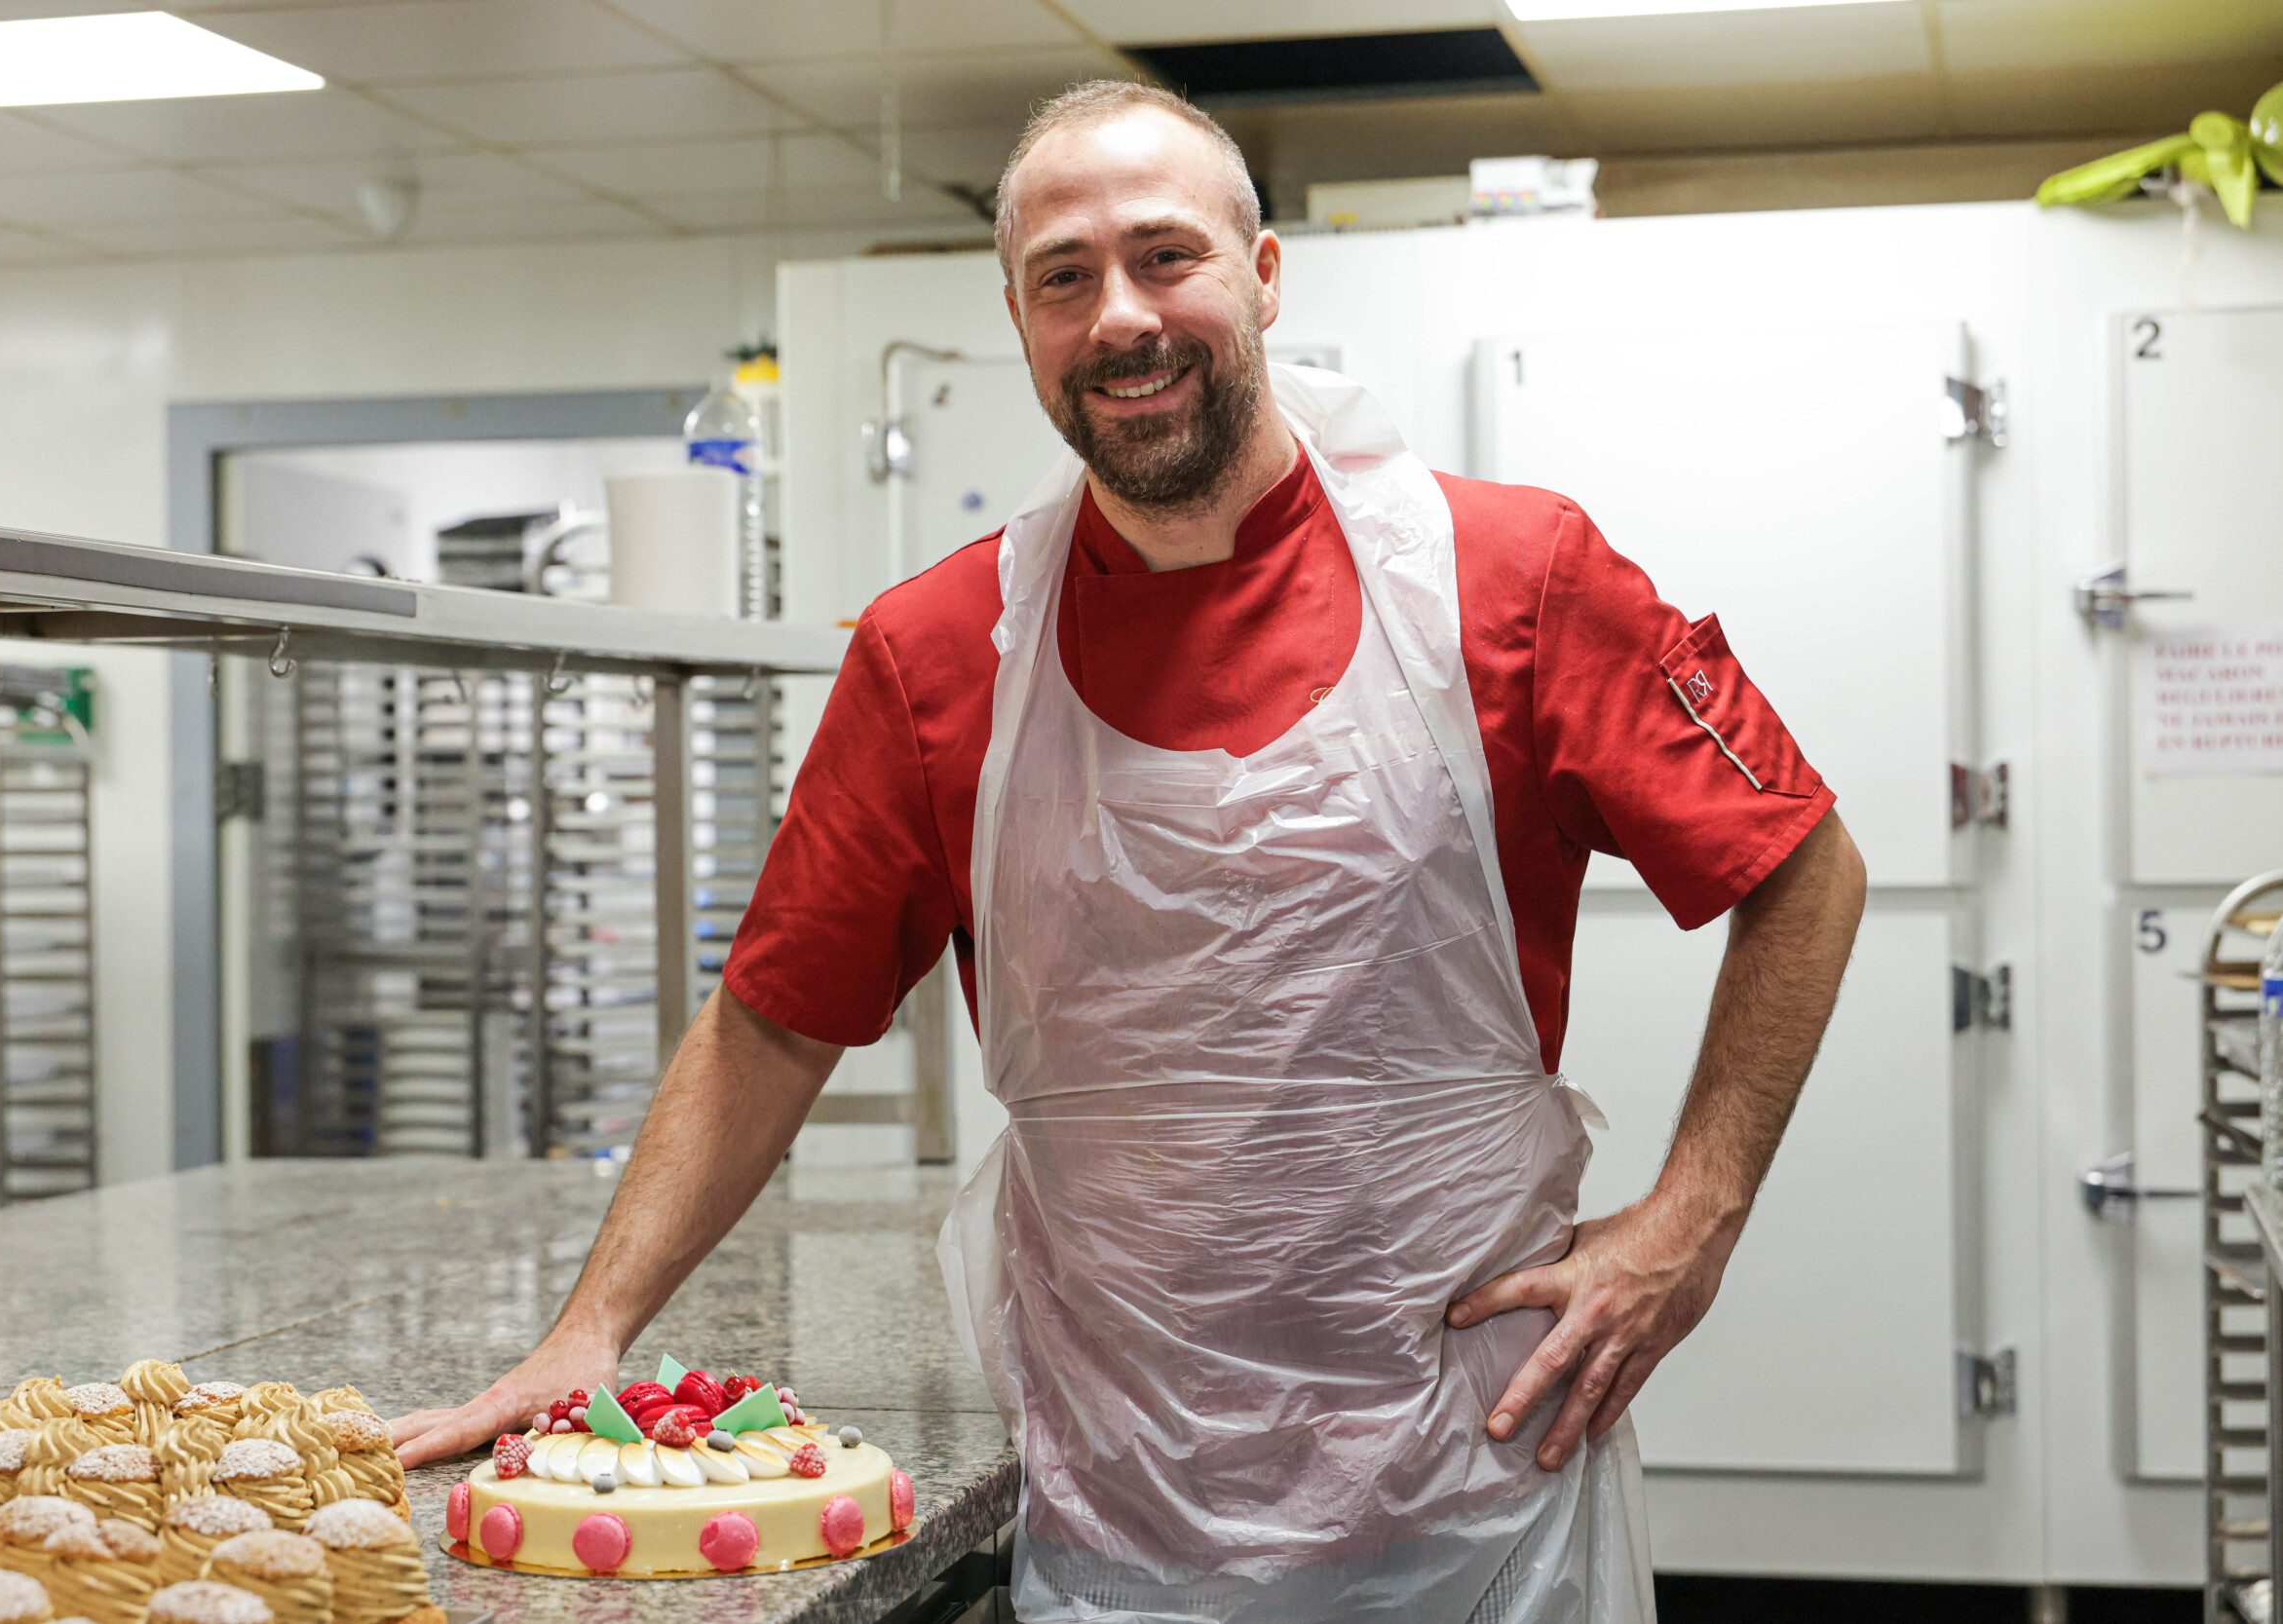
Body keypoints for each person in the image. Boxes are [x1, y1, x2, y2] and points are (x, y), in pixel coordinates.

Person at [394, 80, 1867, 1624]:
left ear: (1265, 275)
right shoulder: (937, 652)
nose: (1121, 318)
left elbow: (1802, 868)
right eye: (1065, 277)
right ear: (1020, 320)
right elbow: (772, 1016)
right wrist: (590, 1331)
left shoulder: (1510, 580)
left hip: (1478, 1488)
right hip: (1126, 1508)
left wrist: (1690, 1223)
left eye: (1167, 257)